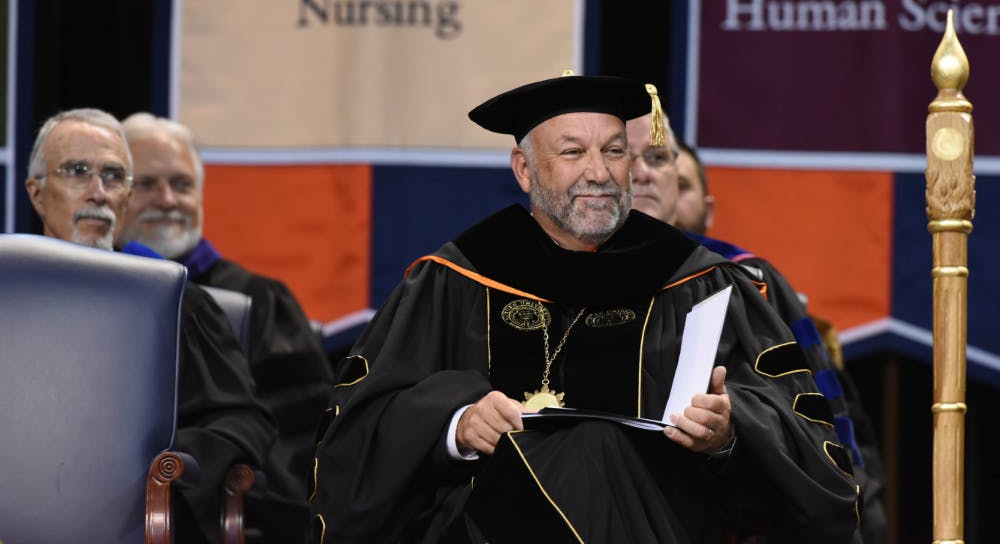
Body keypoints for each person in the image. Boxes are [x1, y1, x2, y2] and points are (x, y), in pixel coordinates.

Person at [309, 75, 861, 543]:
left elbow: (808, 441)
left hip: (661, 520)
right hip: (482, 526)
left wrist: (729, 428)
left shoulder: (698, 280)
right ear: (525, 170)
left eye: (615, 151)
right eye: (573, 152)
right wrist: (456, 424)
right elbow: (359, 433)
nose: (599, 172)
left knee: (597, 447)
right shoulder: (452, 279)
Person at [626, 115, 886, 543]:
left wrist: (733, 424)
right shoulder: (560, 284)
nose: (643, 174)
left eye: (659, 159)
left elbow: (819, 423)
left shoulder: (748, 282)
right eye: (627, 158)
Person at [24, 108, 276, 543]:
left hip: (133, 521)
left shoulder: (173, 300)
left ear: (125, 198)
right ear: (37, 192)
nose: (97, 192)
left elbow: (242, 420)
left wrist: (158, 467)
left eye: (115, 176)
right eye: (77, 172)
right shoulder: (10, 295)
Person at [116, 112, 334, 542]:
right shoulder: (95, 301)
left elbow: (303, 445)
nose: (167, 199)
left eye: (182, 185)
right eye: (146, 184)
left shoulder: (259, 300)